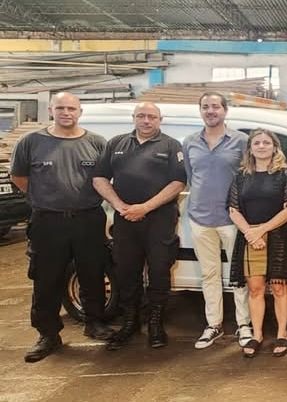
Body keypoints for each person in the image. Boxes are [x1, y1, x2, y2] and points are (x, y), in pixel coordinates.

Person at [10, 92, 115, 363]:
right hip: (48, 221)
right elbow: (19, 177)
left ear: (80, 112)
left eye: (71, 108)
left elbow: (105, 178)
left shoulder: (96, 143)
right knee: (46, 278)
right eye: (60, 108)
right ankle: (48, 334)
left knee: (92, 273)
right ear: (51, 111)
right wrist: (47, 198)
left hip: (88, 218)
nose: (66, 113)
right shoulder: (31, 142)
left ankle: (95, 323)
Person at [92, 102, 186, 350]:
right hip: (125, 220)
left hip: (160, 220)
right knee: (126, 272)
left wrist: (145, 207)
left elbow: (178, 183)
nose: (146, 120)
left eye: (152, 117)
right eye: (141, 116)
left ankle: (156, 325)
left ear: (160, 119)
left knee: (159, 271)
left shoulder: (171, 145)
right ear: (133, 118)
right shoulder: (116, 143)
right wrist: (120, 206)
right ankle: (130, 323)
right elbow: (99, 178)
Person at [182, 92, 252, 350]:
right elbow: (191, 176)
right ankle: (214, 324)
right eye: (205, 107)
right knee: (209, 274)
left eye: (215, 106)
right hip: (200, 218)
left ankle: (244, 324)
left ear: (225, 110)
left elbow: (248, 176)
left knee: (238, 274)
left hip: (232, 218)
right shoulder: (190, 142)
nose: (210, 111)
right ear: (200, 110)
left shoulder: (241, 141)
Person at [227, 129, 287, 358]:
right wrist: (250, 233)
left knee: (279, 288)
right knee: (255, 289)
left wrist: (261, 230)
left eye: (267, 142)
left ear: (275, 147)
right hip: (250, 238)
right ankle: (256, 335)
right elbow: (233, 209)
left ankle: (282, 334)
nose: (262, 146)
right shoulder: (241, 176)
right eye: (257, 142)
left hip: (277, 236)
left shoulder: (285, 175)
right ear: (250, 148)